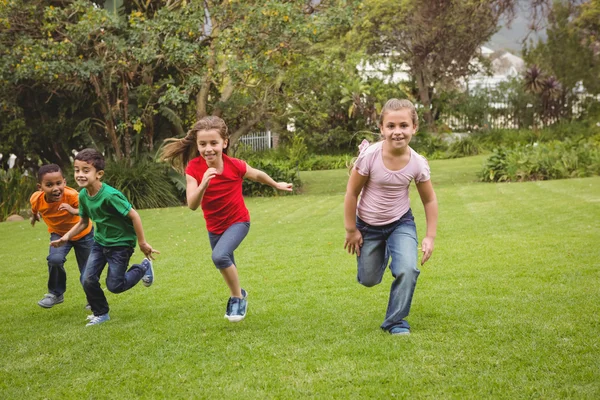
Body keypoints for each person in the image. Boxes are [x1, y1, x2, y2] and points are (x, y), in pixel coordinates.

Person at [160, 116, 293, 322]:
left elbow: (257, 175)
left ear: (225, 142)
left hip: (238, 221)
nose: (208, 149)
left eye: (214, 143)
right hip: (214, 227)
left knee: (219, 257)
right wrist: (203, 183)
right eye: (203, 144)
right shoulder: (194, 169)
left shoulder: (235, 165)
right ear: (197, 145)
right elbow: (193, 204)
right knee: (225, 261)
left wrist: (276, 184)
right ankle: (240, 292)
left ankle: (237, 298)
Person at [344, 98, 438, 336]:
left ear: (414, 127)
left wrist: (430, 236)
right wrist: (351, 230)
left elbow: (429, 199)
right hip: (368, 226)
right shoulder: (370, 157)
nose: (398, 132)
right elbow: (352, 192)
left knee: (407, 268)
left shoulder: (418, 163)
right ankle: (385, 250)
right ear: (382, 129)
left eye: (404, 126)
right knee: (368, 279)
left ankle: (396, 322)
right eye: (391, 126)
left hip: (400, 223)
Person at [50, 149, 159, 326]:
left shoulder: (110, 195)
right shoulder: (84, 195)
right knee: (87, 278)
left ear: (99, 174)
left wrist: (142, 243)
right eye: (77, 170)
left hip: (121, 245)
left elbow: (134, 215)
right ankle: (101, 313)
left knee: (115, 286)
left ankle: (143, 268)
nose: (80, 174)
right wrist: (66, 236)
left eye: (86, 170)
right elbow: (84, 222)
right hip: (99, 243)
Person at [30, 164, 94, 308]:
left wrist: (72, 210)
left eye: (59, 183)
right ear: (40, 187)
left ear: (64, 182)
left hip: (83, 234)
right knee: (55, 260)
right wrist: (34, 216)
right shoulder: (36, 198)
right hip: (58, 234)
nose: (55, 188)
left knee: (87, 269)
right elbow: (35, 209)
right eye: (49, 185)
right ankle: (56, 294)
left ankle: (93, 299)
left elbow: (88, 210)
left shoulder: (73, 196)